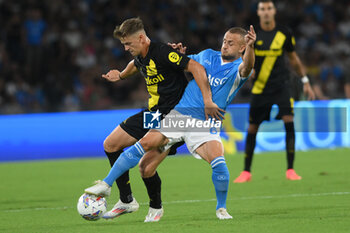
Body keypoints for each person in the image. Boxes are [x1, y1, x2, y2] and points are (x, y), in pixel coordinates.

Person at [85, 26, 256, 221]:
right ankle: (120, 194)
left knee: (217, 161)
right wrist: (179, 56)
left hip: (200, 120)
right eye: (224, 41)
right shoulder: (207, 55)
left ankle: (221, 209)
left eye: (231, 43)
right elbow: (186, 62)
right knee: (131, 157)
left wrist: (250, 49)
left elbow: (247, 67)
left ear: (243, 47)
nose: (225, 45)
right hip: (170, 113)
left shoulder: (239, 68)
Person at [233, 0, 315, 183]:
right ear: (259, 12)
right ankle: (246, 171)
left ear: (274, 11)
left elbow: (293, 59)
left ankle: (291, 169)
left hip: (281, 85)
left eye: (269, 8)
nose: (266, 12)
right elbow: (241, 54)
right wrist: (247, 66)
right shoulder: (252, 35)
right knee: (253, 127)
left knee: (289, 121)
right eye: (263, 9)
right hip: (260, 87)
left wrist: (305, 80)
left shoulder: (284, 33)